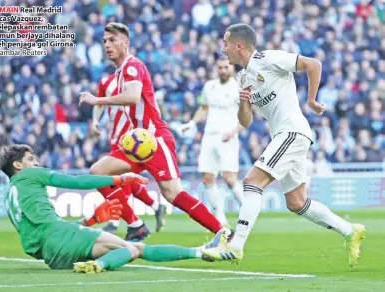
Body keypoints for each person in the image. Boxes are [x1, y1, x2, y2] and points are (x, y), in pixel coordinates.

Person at [202, 24, 366, 267]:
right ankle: (350, 230)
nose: (222, 49)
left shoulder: (269, 58)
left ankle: (236, 246)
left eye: (225, 43)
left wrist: (311, 100)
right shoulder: (243, 77)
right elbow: (245, 122)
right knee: (297, 202)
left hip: (293, 132)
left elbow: (314, 64)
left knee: (252, 181)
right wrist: (243, 104)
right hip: (282, 135)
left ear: (238, 46)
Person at [79, 22, 224, 237]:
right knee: (97, 172)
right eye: (104, 41)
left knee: (172, 193)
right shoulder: (119, 74)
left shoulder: (132, 66)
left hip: (155, 139)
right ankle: (135, 224)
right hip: (137, 143)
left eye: (112, 40)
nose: (107, 45)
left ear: (125, 43)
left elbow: (133, 96)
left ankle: (222, 233)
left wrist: (97, 99)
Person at [0, 144, 206, 273]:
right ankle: (99, 266)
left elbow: (40, 232)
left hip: (52, 255)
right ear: (18, 165)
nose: (36, 163)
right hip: (61, 237)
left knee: (134, 248)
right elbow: (77, 181)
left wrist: (88, 221)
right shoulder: (31, 175)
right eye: (31, 159)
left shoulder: (8, 196)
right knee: (130, 249)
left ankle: (201, 252)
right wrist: (120, 178)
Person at [182, 55, 243, 226]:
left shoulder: (239, 87)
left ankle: (246, 210)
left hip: (228, 137)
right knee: (207, 177)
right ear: (216, 68)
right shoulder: (209, 86)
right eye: (220, 68)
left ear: (232, 67)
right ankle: (220, 217)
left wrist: (234, 131)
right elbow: (204, 108)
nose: (223, 71)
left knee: (229, 178)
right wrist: (192, 123)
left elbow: (247, 115)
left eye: (226, 67)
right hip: (209, 136)